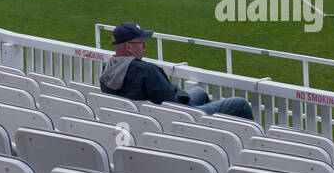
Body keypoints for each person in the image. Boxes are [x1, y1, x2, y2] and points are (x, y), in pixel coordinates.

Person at [99, 22, 255, 119]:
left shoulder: (108, 69)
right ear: (128, 47)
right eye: (141, 42)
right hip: (180, 118)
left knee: (199, 92)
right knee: (240, 104)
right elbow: (173, 107)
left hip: (140, 117)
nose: (145, 46)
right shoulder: (146, 71)